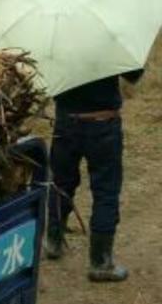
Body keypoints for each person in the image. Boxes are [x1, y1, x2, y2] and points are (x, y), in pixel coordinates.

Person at [45, 69, 143, 281]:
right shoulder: (109, 38)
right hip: (103, 124)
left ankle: (53, 240)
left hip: (66, 122)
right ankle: (100, 262)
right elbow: (134, 75)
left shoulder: (58, 39)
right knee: (106, 190)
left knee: (61, 183)